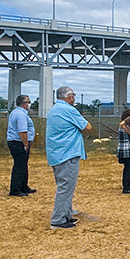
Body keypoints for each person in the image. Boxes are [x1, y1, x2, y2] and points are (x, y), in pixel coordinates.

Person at [45, 86, 91, 228]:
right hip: (67, 154)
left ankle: (66, 214)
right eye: (73, 96)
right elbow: (87, 127)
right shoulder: (68, 109)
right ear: (69, 96)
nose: (74, 98)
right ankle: (58, 219)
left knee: (65, 186)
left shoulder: (54, 109)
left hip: (57, 154)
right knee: (66, 187)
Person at [6, 94, 36, 197]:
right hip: (19, 142)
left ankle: (23, 186)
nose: (29, 104)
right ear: (24, 104)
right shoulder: (21, 114)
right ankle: (15, 189)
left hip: (16, 141)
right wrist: (26, 144)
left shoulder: (16, 112)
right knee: (19, 166)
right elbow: (22, 131)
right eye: (28, 102)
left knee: (23, 165)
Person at [116, 106, 130, 194]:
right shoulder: (127, 126)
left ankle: (125, 185)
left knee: (126, 168)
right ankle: (126, 187)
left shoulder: (121, 126)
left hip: (121, 149)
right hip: (129, 150)